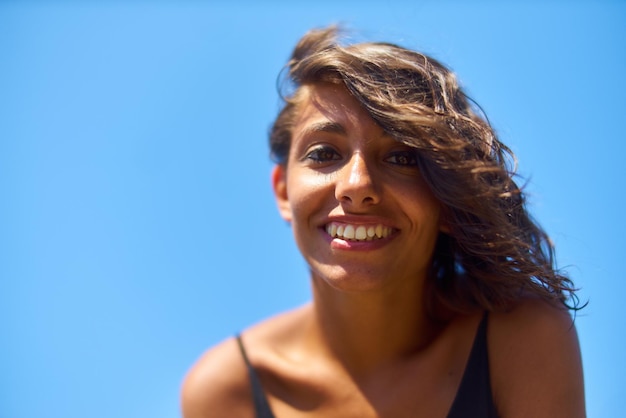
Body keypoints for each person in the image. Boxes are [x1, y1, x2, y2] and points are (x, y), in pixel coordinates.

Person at [181, 25, 585, 418]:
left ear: (449, 198)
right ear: (284, 191)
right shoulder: (227, 390)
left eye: (402, 158)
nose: (356, 186)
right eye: (324, 153)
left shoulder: (520, 338)